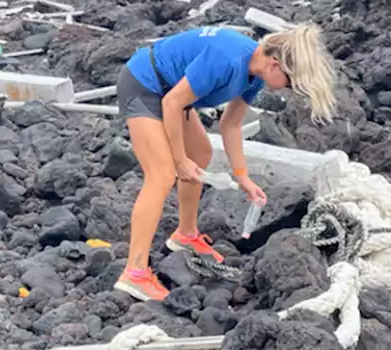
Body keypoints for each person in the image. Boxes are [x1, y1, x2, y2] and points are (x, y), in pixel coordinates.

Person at [112, 23, 340, 302]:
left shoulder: (254, 75)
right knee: (161, 175)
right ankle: (134, 273)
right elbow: (172, 103)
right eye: (290, 83)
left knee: (202, 153)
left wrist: (242, 176)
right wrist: (180, 159)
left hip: (171, 93)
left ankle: (185, 234)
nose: (287, 91)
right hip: (144, 84)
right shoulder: (228, 59)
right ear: (275, 64)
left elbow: (230, 124)